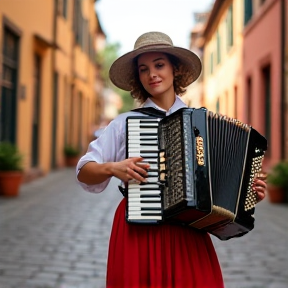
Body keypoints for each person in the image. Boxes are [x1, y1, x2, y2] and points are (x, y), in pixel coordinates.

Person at [76, 31, 267, 288]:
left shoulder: (202, 123)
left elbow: (221, 187)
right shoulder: (125, 124)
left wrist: (248, 194)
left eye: (159, 65)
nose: (152, 74)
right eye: (143, 69)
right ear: (137, 77)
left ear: (174, 69)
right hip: (138, 233)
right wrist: (112, 168)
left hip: (189, 233)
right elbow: (84, 170)